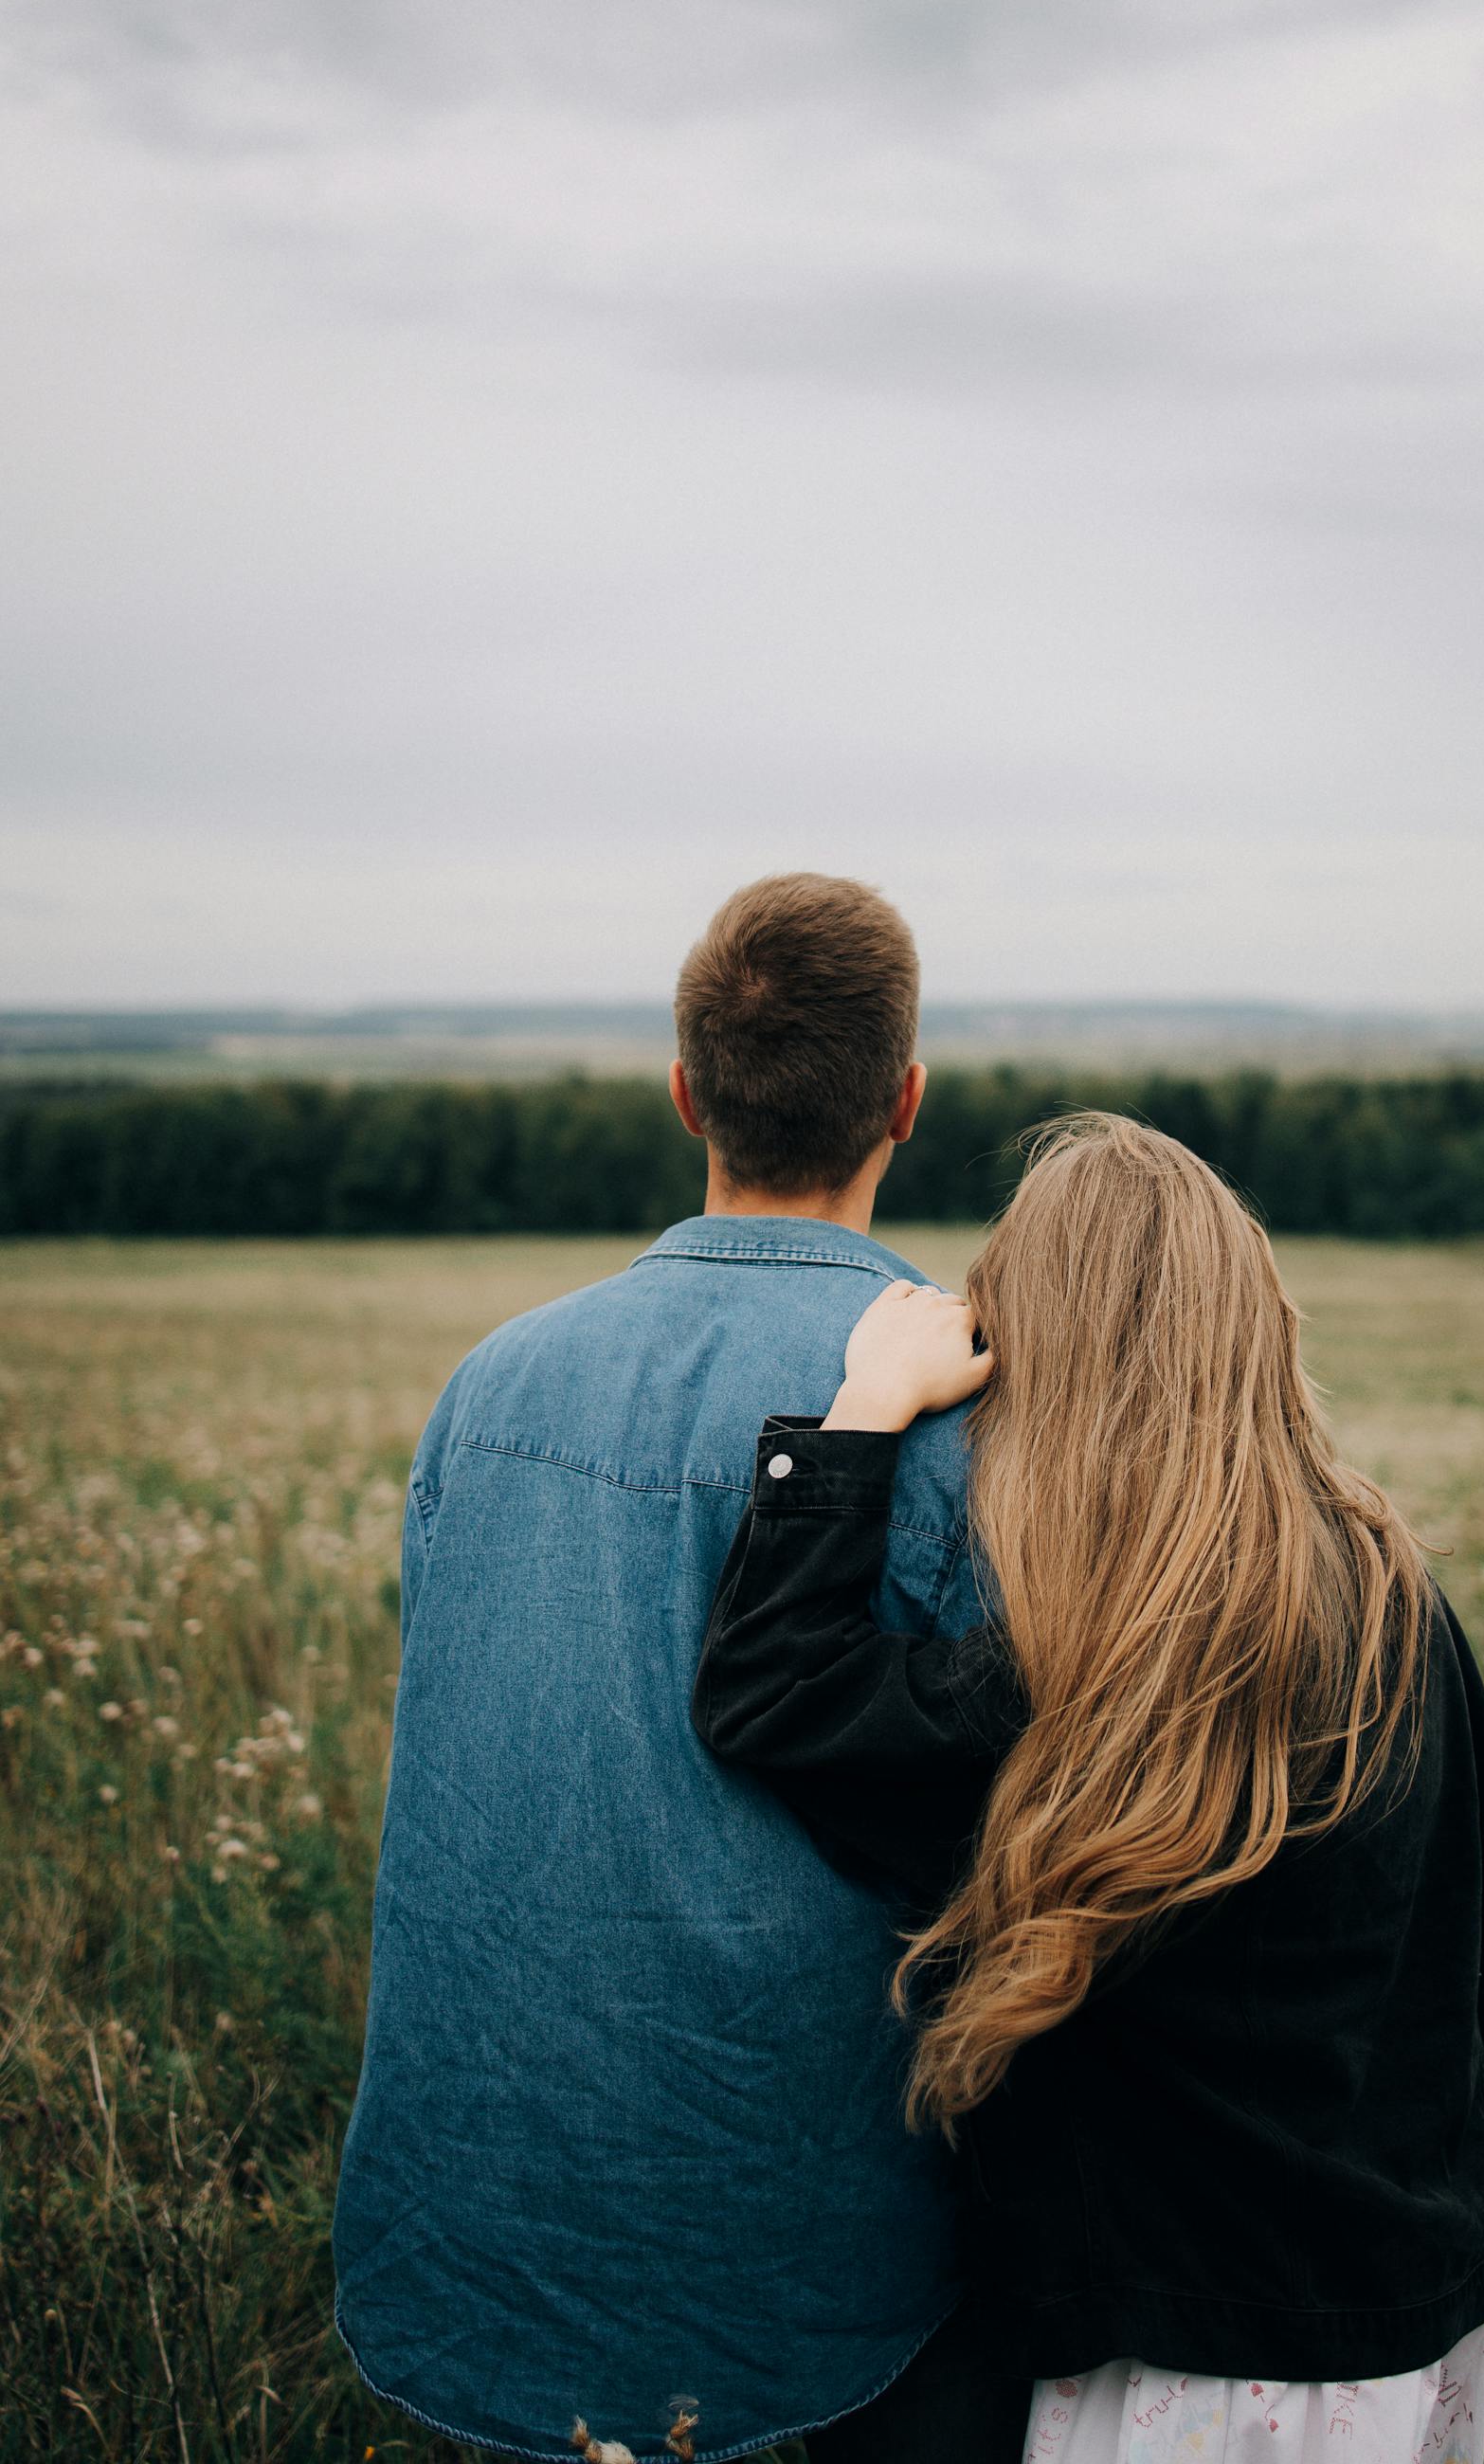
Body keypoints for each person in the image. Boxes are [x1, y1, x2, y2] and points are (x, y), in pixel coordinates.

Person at [695, 1115, 1484, 2464]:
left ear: (1037, 1365)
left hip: (1196, 2354)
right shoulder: (1390, 1589)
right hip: (1411, 2306)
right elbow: (1481, 1935)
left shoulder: (1092, 1666)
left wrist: (866, 1411)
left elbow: (771, 1694)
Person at [334, 874, 1030, 2463]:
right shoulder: (972, 1414)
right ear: (907, 1100)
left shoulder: (490, 1384)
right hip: (827, 2267)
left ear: (685, 1093)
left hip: (484, 2232)